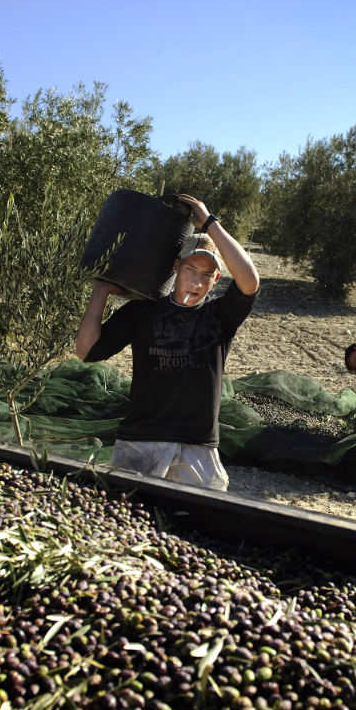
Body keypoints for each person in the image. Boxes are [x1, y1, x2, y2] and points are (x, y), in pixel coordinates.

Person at [75, 194, 259, 490]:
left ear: (217, 279)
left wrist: (210, 223)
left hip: (198, 447)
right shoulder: (141, 313)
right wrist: (101, 289)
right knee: (126, 521)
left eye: (206, 275)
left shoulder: (220, 315)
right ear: (176, 268)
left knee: (197, 526)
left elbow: (249, 281)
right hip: (141, 442)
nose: (197, 282)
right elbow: (85, 351)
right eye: (190, 270)